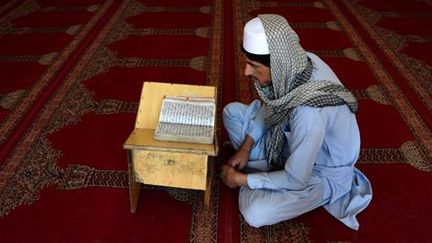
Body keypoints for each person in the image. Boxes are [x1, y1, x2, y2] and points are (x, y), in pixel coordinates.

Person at [221, 14, 372, 230]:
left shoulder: (309, 113)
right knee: (231, 112)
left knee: (255, 213)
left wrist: (240, 180)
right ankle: (262, 171)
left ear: (278, 65)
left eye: (254, 66)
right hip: (289, 140)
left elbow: (296, 179)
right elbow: (274, 102)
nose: (246, 72)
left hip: (320, 172)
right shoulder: (298, 62)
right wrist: (245, 148)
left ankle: (256, 178)